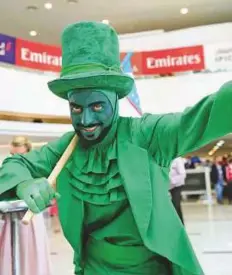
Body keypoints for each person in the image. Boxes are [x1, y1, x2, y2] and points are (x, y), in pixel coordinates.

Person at [1, 21, 232, 275]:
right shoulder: (65, 149)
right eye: (76, 108)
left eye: (97, 106)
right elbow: (15, 164)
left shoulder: (148, 135)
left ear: (114, 99)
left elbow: (208, 114)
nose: (86, 121)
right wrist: (25, 184)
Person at [0, 136, 52, 275]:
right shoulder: (5, 171)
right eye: (12, 155)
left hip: (30, 218)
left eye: (21, 156)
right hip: (8, 220)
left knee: (31, 253)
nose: (14, 160)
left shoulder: (36, 172)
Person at [169, 157, 186, 225]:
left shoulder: (177, 160)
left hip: (177, 185)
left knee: (176, 205)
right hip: (168, 186)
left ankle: (180, 224)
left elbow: (182, 174)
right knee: (173, 206)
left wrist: (172, 180)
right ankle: (176, 224)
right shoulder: (166, 159)